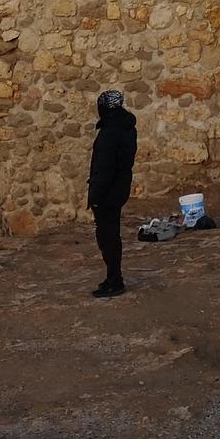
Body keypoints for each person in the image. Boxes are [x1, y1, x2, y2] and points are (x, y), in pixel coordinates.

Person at [87, 88, 137, 298]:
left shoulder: (109, 133)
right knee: (111, 235)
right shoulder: (127, 128)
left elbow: (104, 169)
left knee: (107, 238)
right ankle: (113, 277)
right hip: (120, 188)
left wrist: (94, 197)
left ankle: (114, 280)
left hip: (107, 194)